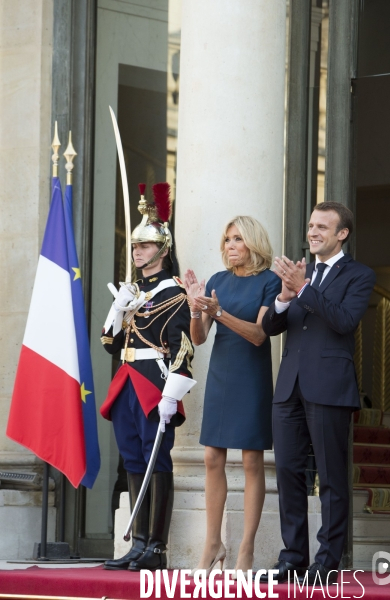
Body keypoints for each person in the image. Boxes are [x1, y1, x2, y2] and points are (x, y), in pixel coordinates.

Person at [261, 202, 376, 585]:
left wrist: (304, 289)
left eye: (322, 227)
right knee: (289, 475)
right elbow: (274, 327)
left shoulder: (359, 275)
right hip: (289, 386)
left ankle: (326, 562)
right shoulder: (299, 273)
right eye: (311, 225)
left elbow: (344, 321)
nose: (313, 232)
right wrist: (283, 296)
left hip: (329, 388)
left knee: (330, 477)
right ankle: (293, 558)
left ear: (342, 233)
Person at [100, 182, 195, 572]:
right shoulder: (131, 290)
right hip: (126, 380)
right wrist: (119, 311)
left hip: (154, 384)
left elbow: (184, 349)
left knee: (157, 461)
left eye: (145, 246)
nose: (137, 252)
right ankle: (137, 543)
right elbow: (109, 343)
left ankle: (156, 548)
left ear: (163, 249)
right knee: (133, 460)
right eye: (135, 247)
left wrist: (172, 395)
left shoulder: (174, 294)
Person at [184, 215, 281, 577]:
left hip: (251, 376)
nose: (230, 246)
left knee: (252, 461)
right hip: (222, 374)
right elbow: (199, 337)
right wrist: (197, 309)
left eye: (238, 239)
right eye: (227, 239)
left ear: (253, 243)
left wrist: (217, 311)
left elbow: (258, 335)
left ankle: (246, 550)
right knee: (211, 457)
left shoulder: (270, 282)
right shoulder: (219, 281)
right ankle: (213, 544)